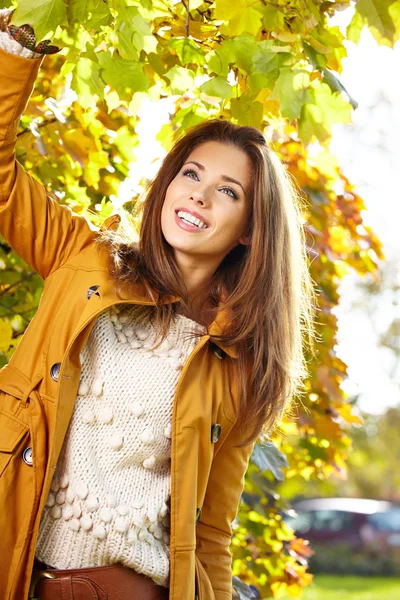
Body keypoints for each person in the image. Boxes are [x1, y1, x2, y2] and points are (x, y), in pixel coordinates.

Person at [0, 8, 315, 600]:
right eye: (190, 173)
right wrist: (12, 58)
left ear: (250, 228)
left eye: (228, 191)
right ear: (169, 182)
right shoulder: (85, 259)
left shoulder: (239, 366)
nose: (199, 193)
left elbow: (212, 532)